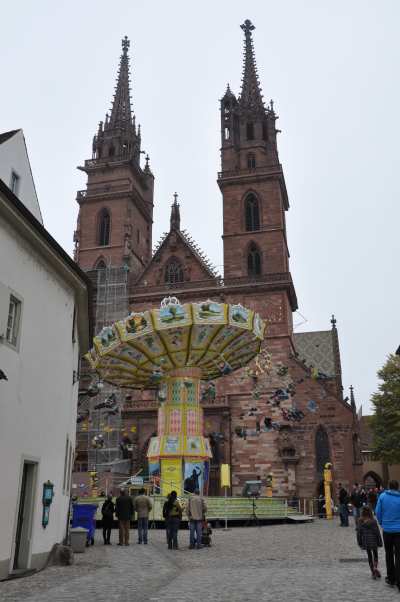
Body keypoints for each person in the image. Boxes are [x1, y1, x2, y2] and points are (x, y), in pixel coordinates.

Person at [376, 480, 400, 589]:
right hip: (399, 530)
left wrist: (381, 522)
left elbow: (378, 512)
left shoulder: (382, 496)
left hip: (387, 530)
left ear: (389, 486)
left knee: (389, 554)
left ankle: (391, 578)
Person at [356, 505, 383, 579]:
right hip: (374, 540)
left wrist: (359, 542)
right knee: (375, 555)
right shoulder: (373, 521)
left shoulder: (360, 521)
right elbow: (377, 532)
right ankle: (375, 567)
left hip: (366, 540)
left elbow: (359, 533)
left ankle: (373, 572)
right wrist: (380, 542)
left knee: (369, 556)